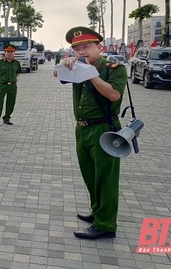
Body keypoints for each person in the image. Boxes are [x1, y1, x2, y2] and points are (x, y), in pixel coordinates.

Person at [54, 26, 126, 240]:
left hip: (104, 129)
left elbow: (113, 95)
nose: (82, 52)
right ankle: (97, 212)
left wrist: (91, 74)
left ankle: (105, 225)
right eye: (77, 49)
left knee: (106, 178)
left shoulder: (114, 68)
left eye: (86, 47)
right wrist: (66, 64)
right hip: (82, 128)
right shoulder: (78, 65)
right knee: (90, 175)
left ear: (99, 47)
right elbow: (57, 73)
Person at [0, 44, 21, 125]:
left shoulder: (16, 63)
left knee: (11, 101)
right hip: (2, 85)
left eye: (11, 52)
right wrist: (0, 79)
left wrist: (12, 79)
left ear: (14, 53)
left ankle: (7, 118)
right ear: (5, 52)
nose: (9, 54)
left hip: (13, 85)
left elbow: (17, 73)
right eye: (7, 52)